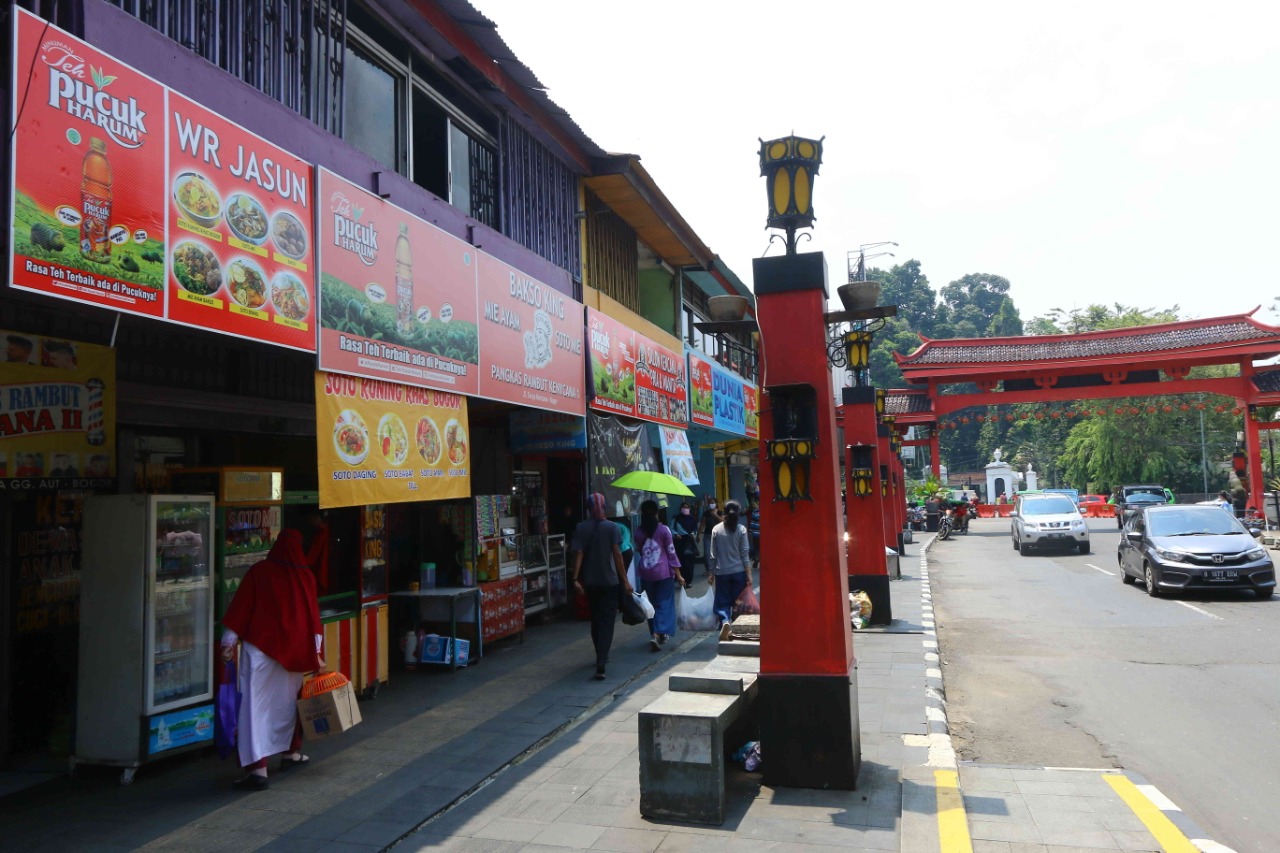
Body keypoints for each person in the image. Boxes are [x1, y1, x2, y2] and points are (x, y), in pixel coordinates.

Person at [220, 529, 324, 791]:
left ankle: (258, 769)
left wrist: (228, 642)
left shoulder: (259, 572)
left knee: (254, 709)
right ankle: (290, 753)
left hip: (260, 650)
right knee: (286, 706)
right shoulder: (306, 576)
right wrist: (317, 655)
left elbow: (241, 608)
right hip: (294, 655)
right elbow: (314, 619)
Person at [571, 493, 632, 680]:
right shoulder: (612, 527)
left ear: (589, 508)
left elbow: (579, 553)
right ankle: (602, 659)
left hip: (590, 582)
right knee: (607, 622)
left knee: (596, 619)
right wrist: (625, 581)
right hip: (610, 582)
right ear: (603, 506)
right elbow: (617, 555)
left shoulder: (581, 527)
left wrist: (575, 578)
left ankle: (600, 653)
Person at [633, 499, 685, 651]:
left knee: (650, 604)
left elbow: (639, 549)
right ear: (657, 513)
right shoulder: (664, 530)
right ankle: (657, 633)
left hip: (645, 572)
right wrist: (679, 575)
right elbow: (671, 553)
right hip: (663, 573)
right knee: (663, 603)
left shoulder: (638, 531)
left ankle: (655, 633)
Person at [709, 500, 753, 627]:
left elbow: (713, 554)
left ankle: (725, 621)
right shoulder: (741, 529)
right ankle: (736, 623)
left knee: (723, 601)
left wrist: (711, 572)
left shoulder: (716, 529)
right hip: (739, 572)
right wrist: (749, 574)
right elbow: (745, 554)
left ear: (724, 512)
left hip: (722, 572)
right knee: (738, 601)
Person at [670, 501, 699, 587]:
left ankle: (688, 581)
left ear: (689, 509)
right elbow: (671, 528)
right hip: (679, 542)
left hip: (689, 541)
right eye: (684, 507)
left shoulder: (692, 519)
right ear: (680, 509)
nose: (685, 509)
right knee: (681, 562)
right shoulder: (676, 518)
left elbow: (695, 529)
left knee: (690, 562)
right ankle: (681, 580)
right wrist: (675, 534)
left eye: (687, 507)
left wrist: (693, 534)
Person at [699, 497, 722, 570]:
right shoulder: (706, 513)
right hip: (708, 535)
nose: (711, 504)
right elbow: (702, 524)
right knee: (707, 553)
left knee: (718, 552)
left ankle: (718, 568)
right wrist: (698, 535)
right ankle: (709, 569)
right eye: (710, 503)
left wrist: (715, 515)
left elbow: (723, 521)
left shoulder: (720, 512)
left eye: (712, 503)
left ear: (716, 503)